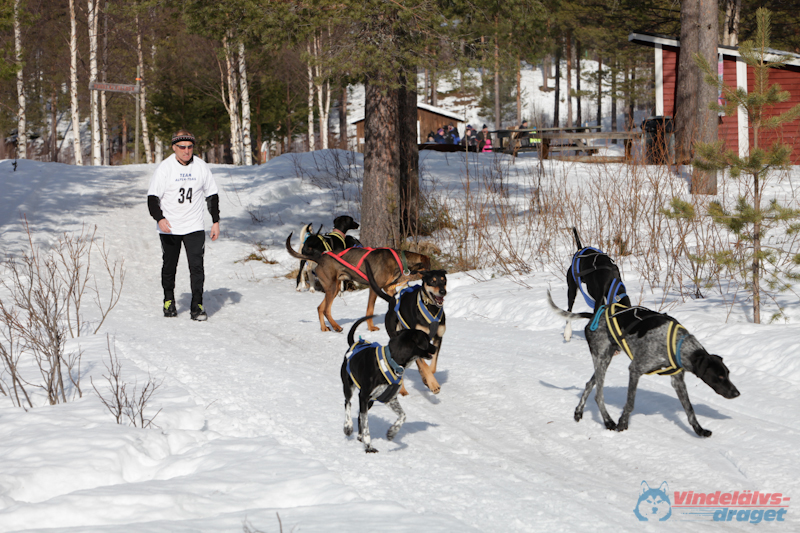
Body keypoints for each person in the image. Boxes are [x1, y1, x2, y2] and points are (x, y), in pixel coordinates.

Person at [147, 130, 220, 321]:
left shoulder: (201, 167)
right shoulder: (165, 168)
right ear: (174, 148)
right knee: (170, 265)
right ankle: (168, 300)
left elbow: (212, 195)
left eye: (189, 147)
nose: (186, 151)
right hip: (170, 227)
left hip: (194, 226)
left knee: (197, 266)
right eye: (182, 147)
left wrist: (215, 222)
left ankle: (197, 305)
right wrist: (160, 219)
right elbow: (152, 198)